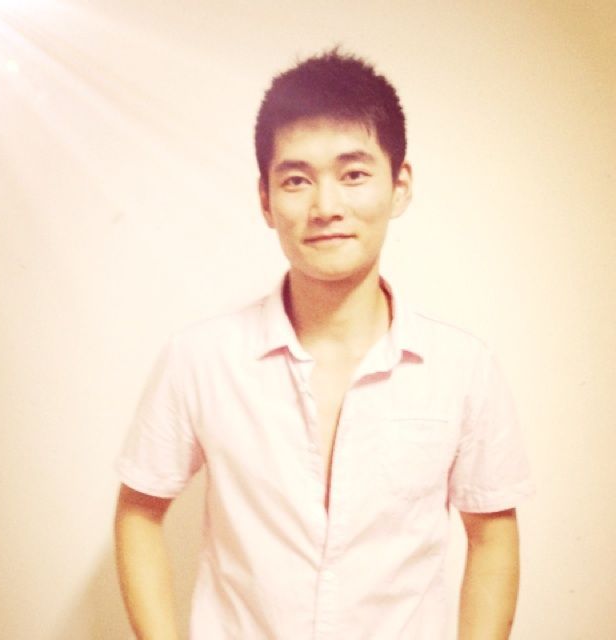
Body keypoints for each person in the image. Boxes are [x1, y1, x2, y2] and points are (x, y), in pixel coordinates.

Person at [114, 49, 533, 640]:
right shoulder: (199, 360)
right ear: (265, 199)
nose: (326, 207)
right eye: (296, 180)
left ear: (400, 186)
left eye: (353, 174)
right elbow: (138, 511)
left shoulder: (463, 368)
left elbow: (491, 536)